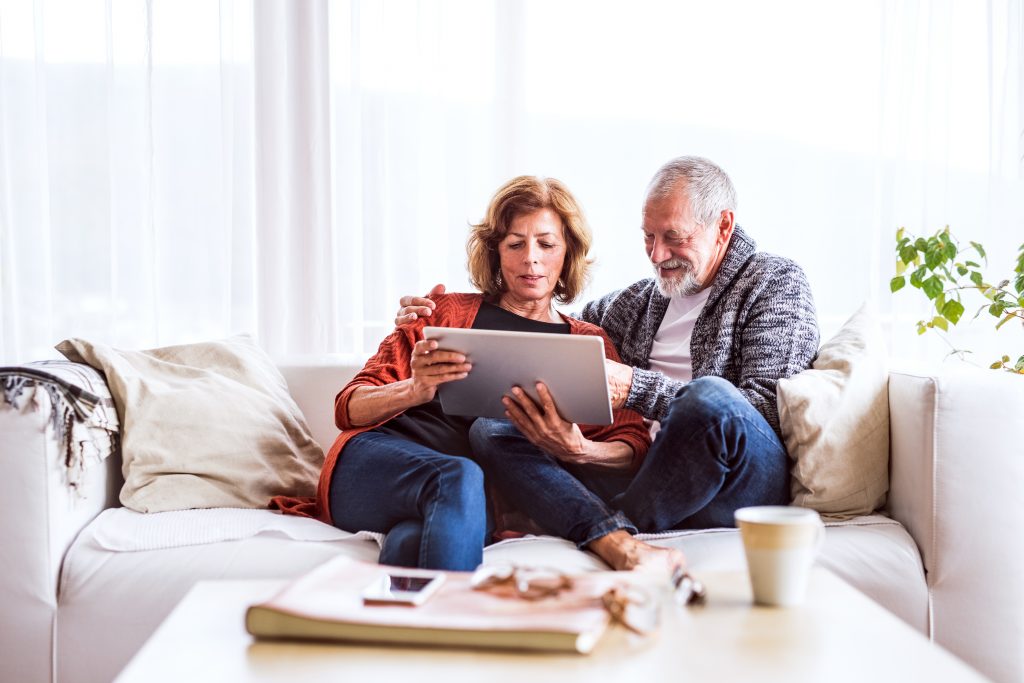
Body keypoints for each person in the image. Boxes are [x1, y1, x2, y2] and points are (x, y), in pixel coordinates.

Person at [395, 156, 820, 555]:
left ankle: (609, 528)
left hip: (738, 482)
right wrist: (438, 316)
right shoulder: (634, 304)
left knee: (710, 398)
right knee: (495, 429)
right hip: (641, 475)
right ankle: (602, 526)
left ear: (723, 226)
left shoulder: (774, 283)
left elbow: (763, 414)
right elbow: (543, 331)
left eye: (673, 237)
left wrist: (637, 387)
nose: (657, 255)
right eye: (648, 237)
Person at [273, 175, 661, 572]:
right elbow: (347, 408)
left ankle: (402, 622)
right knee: (456, 476)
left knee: (412, 542)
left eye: (546, 244)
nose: (531, 257)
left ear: (568, 254)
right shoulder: (443, 312)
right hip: (375, 466)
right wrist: (414, 389)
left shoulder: (587, 341)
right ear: (496, 252)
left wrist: (580, 448)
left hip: (465, 499)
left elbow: (631, 446)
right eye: (515, 243)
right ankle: (464, 622)